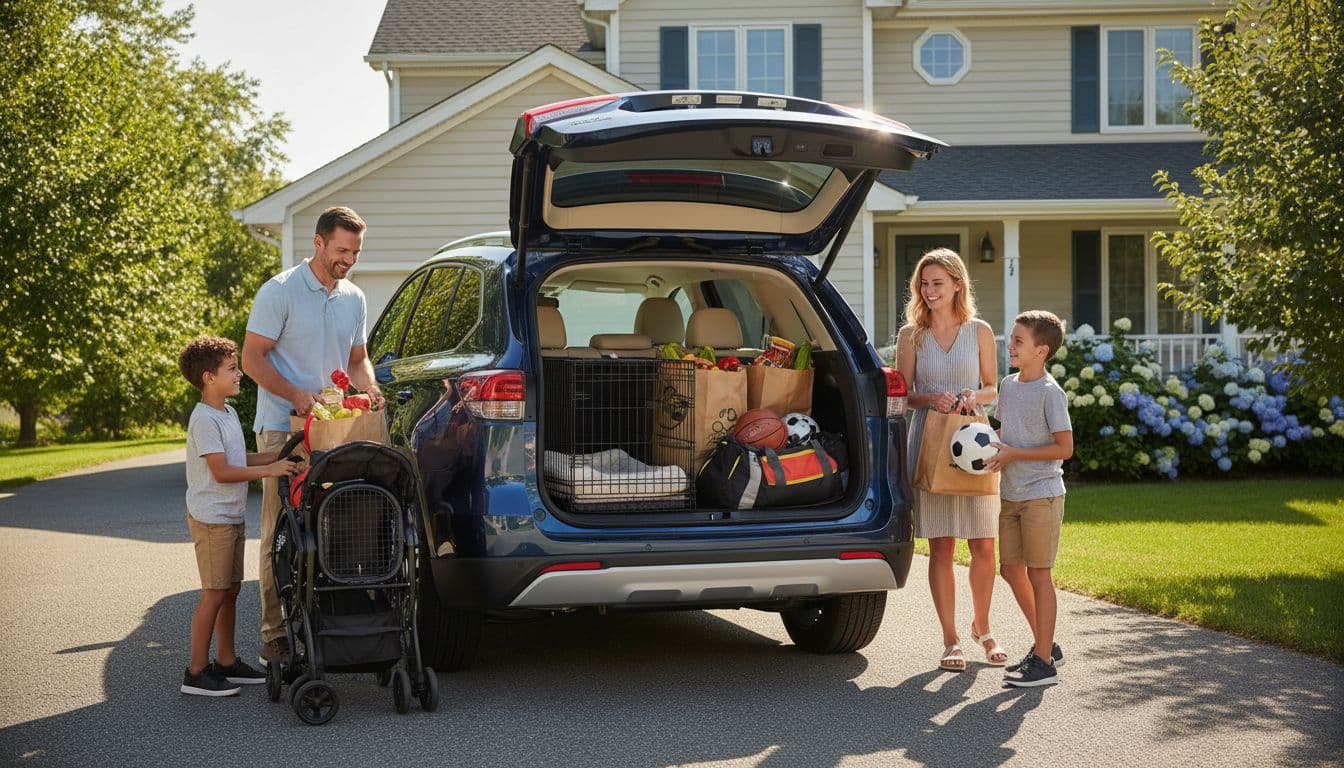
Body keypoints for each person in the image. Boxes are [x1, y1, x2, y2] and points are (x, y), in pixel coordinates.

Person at [241, 206, 384, 666]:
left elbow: (358, 358)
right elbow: (252, 359)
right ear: (318, 243)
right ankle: (275, 634)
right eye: (342, 250)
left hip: (337, 426)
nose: (349, 260)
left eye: (355, 252)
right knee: (279, 529)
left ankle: (335, 620)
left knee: (341, 520)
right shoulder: (278, 292)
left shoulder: (354, 298)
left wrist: (371, 390)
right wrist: (296, 395)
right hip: (284, 429)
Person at [895, 248, 1005, 672]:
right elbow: (902, 395)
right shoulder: (912, 335)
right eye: (924, 283)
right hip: (931, 442)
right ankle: (951, 638)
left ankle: (984, 627)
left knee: (983, 544)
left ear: (958, 284)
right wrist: (930, 398)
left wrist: (972, 395)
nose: (929, 290)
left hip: (974, 443)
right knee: (942, 546)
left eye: (937, 282)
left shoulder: (979, 330)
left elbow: (994, 388)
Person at [178, 336, 300, 696]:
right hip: (212, 518)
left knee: (230, 591)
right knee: (213, 594)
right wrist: (271, 470)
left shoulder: (227, 413)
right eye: (231, 369)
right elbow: (222, 472)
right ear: (207, 378)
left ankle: (227, 661)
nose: (239, 375)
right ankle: (196, 672)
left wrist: (280, 457)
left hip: (229, 516)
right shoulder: (204, 420)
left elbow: (239, 459)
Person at [985, 310, 1074, 687]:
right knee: (1010, 570)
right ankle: (1046, 645)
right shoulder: (1009, 384)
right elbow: (1005, 431)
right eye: (1011, 339)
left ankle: (1044, 665)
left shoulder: (1051, 393)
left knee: (1039, 574)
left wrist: (1015, 454)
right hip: (1012, 493)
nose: (1011, 345)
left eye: (1019, 341)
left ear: (1042, 350)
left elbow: (1064, 448)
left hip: (1042, 495)